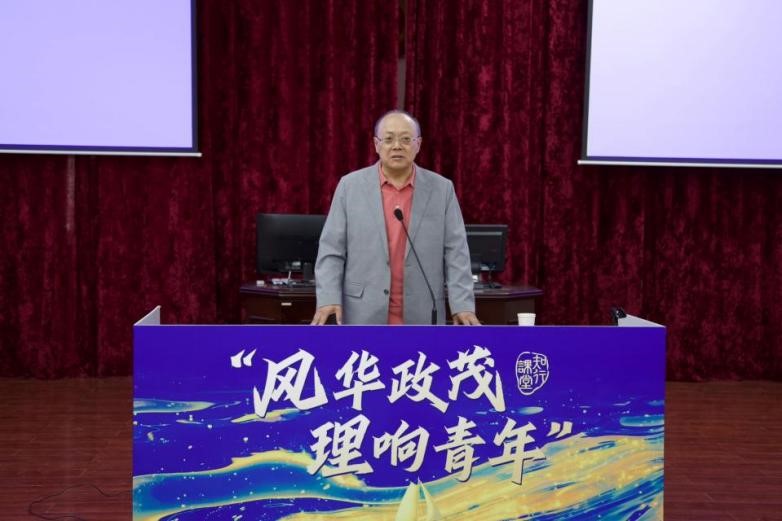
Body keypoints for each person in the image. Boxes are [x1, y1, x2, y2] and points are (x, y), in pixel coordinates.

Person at [311, 110, 480, 326]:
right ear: (376, 144)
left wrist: (462, 304)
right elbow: (331, 250)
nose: (397, 146)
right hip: (362, 313)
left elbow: (456, 252)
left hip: (422, 314)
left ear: (418, 144)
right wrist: (328, 298)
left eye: (406, 139)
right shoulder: (350, 186)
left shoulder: (442, 189)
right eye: (389, 139)